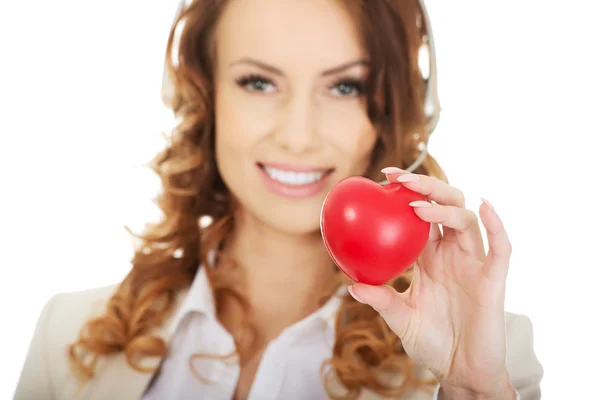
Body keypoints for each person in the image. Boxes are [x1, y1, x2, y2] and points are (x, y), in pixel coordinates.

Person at [14, 0, 544, 399]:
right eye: (258, 82)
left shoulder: (490, 355)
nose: (297, 136)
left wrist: (472, 390)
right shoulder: (64, 335)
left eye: (344, 88)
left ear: (390, 108)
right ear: (205, 96)